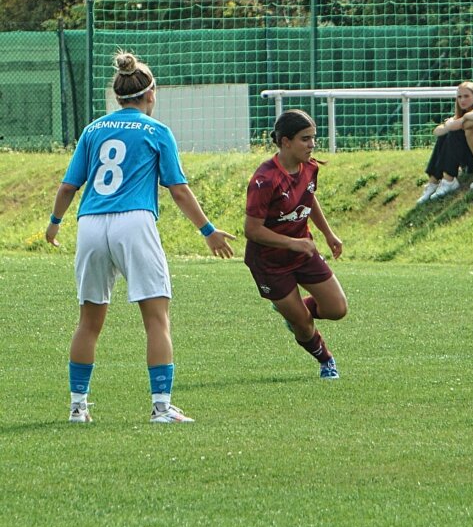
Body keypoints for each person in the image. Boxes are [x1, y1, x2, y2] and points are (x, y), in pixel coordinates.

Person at [46, 50, 236, 425]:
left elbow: (69, 185)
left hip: (90, 223)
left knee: (89, 320)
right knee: (156, 317)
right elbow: (178, 189)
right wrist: (208, 231)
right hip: (134, 222)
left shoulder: (93, 129)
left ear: (118, 96)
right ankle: (161, 408)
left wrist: (54, 223)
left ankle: (77, 407)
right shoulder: (157, 131)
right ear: (151, 94)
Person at [244, 109, 348, 379]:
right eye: (305, 139)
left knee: (337, 309)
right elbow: (252, 230)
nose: (312, 144)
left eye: (314, 138)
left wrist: (328, 233)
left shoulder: (310, 166)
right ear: (285, 141)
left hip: (302, 251)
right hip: (269, 262)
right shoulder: (264, 180)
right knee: (303, 324)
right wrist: (293, 243)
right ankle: (325, 360)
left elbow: (309, 197)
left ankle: (291, 308)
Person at [416, 81, 473, 203]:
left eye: (466, 96)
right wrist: (450, 124)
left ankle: (449, 179)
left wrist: (449, 124)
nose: (462, 100)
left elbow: (453, 127)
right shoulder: (460, 115)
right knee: (444, 136)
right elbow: (436, 131)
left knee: (454, 133)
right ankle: (433, 181)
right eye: (459, 97)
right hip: (466, 159)